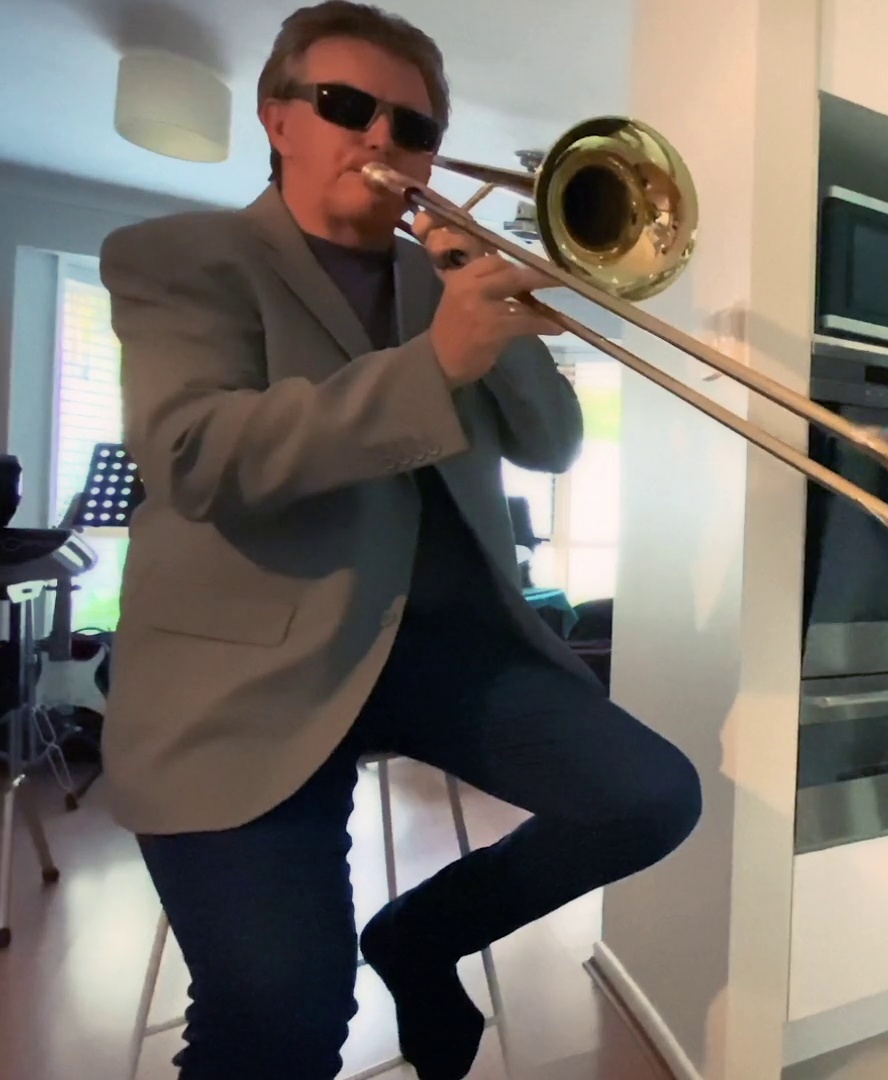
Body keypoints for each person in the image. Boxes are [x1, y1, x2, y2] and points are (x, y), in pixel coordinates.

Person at [98, 3, 702, 1078]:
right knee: (282, 1020)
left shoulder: (445, 277)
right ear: (279, 118)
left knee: (652, 798)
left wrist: (488, 299)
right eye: (347, 105)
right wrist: (434, 364)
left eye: (413, 127)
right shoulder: (182, 258)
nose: (382, 137)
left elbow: (556, 442)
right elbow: (196, 456)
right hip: (247, 670)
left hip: (434, 649)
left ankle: (420, 936)